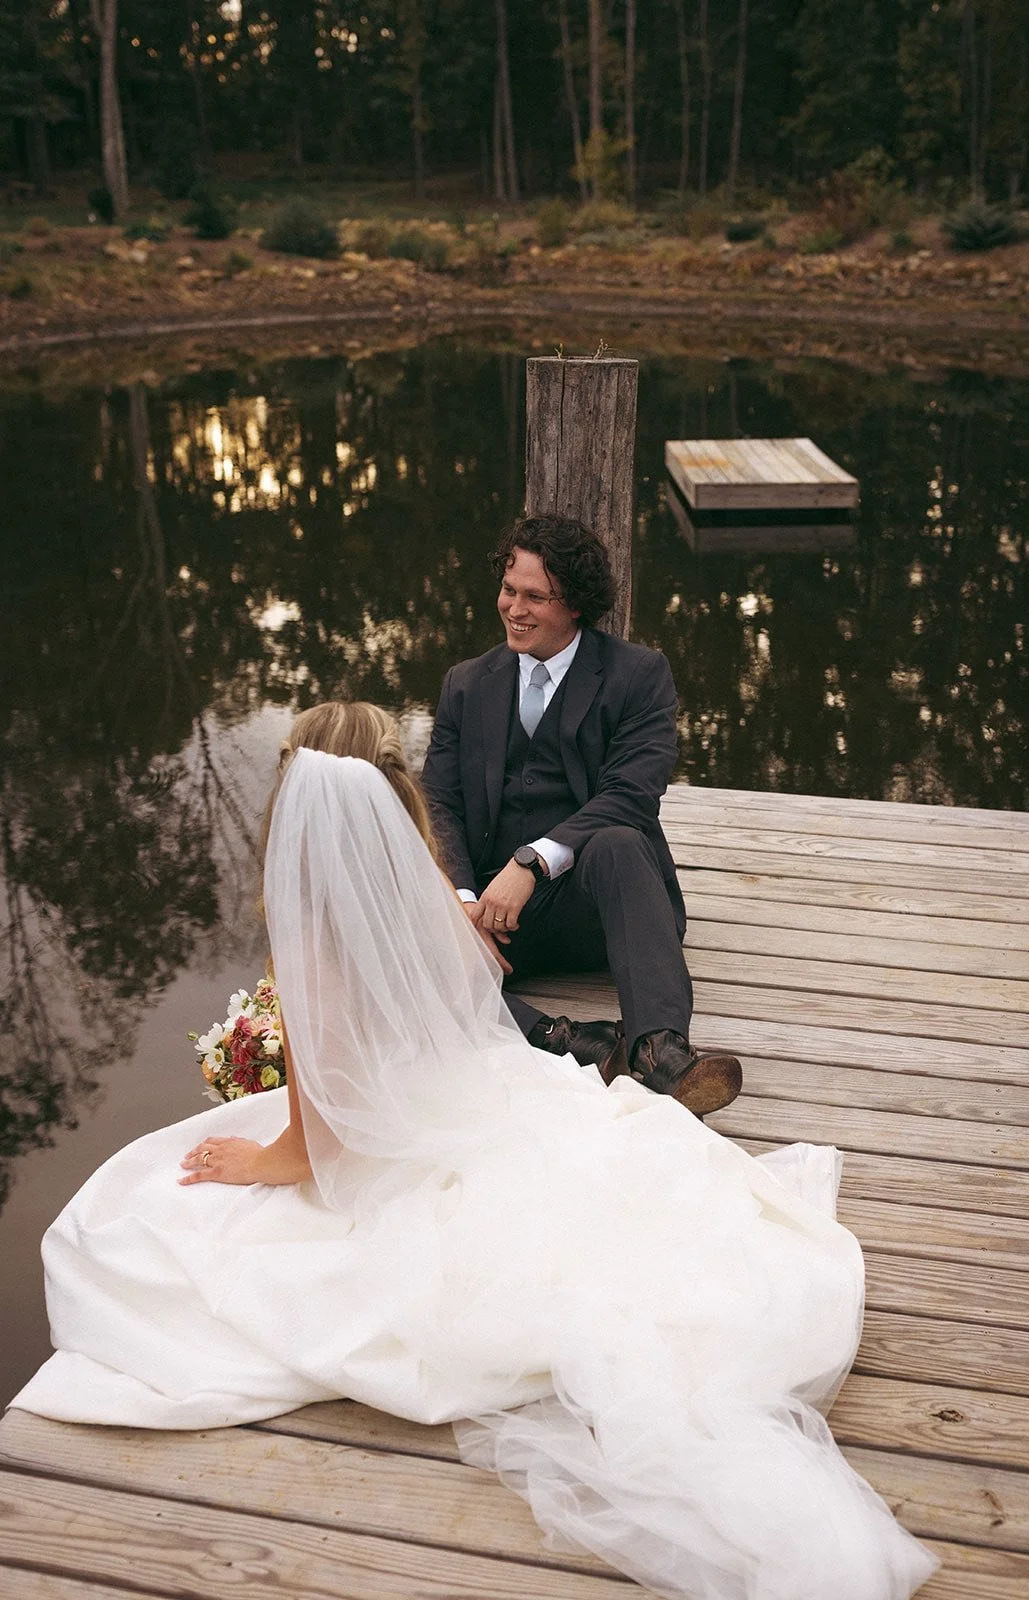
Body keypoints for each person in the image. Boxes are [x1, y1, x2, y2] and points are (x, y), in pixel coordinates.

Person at [11, 702, 937, 1600]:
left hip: (393, 1151)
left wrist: (256, 1162)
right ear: (394, 796)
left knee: (140, 1230)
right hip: (477, 1104)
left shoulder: (313, 939)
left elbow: (320, 1146)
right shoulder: (421, 897)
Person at [421, 514, 741, 1118]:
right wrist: (462, 902)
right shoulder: (466, 684)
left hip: (599, 906)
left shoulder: (638, 676)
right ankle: (574, 1040)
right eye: (509, 590)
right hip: (497, 922)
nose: (514, 608)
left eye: (534, 597)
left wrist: (533, 861)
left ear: (575, 605)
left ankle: (660, 1052)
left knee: (620, 838)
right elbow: (438, 802)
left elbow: (632, 792)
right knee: (389, 944)